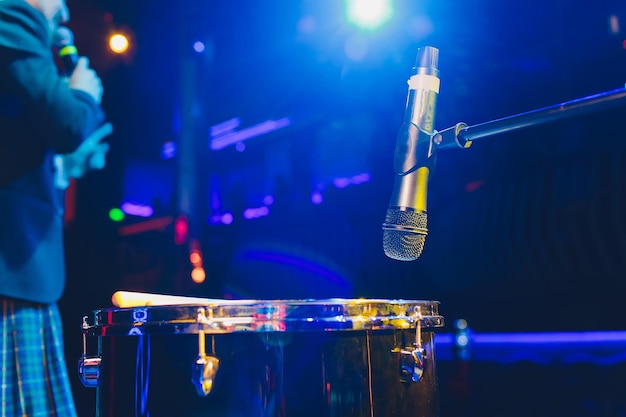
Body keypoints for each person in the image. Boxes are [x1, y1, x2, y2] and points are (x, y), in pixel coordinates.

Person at [0, 0, 110, 415]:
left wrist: (63, 167)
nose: (63, 12)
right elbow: (65, 123)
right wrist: (82, 93)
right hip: (10, 263)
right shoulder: (10, 13)